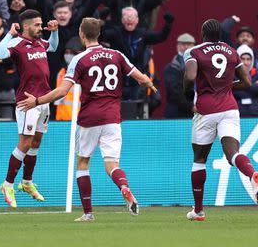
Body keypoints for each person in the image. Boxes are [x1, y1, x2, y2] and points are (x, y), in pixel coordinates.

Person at [17, 17, 156, 221]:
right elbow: (141, 77)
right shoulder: (116, 55)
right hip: (112, 118)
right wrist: (150, 85)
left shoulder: (80, 59)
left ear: (82, 35)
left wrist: (36, 101)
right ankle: (124, 187)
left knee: (83, 163)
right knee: (112, 164)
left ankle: (88, 213)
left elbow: (62, 91)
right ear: (99, 34)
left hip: (90, 118)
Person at [184, 19, 258, 221]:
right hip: (229, 108)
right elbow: (246, 82)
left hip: (206, 109)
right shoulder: (231, 51)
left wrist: (188, 94)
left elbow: (191, 76)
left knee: (199, 160)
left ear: (203, 33)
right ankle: (251, 173)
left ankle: (199, 210)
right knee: (233, 154)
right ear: (220, 34)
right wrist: (226, 87)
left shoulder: (194, 52)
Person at [0, 9, 59, 208]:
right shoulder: (17, 43)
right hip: (27, 101)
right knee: (25, 142)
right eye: (38, 25)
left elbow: (54, 47)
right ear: (26, 26)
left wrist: (54, 32)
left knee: (36, 142)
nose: (41, 27)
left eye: (41, 24)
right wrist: (9, 34)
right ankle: (7, 184)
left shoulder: (41, 42)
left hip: (43, 99)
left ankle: (27, 182)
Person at [164, 33, 196, 118]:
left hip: (198, 109)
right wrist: (191, 107)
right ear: (177, 46)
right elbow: (174, 91)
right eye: (183, 44)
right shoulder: (172, 67)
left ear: (194, 46)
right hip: (177, 111)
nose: (186, 47)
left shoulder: (200, 63)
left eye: (189, 44)